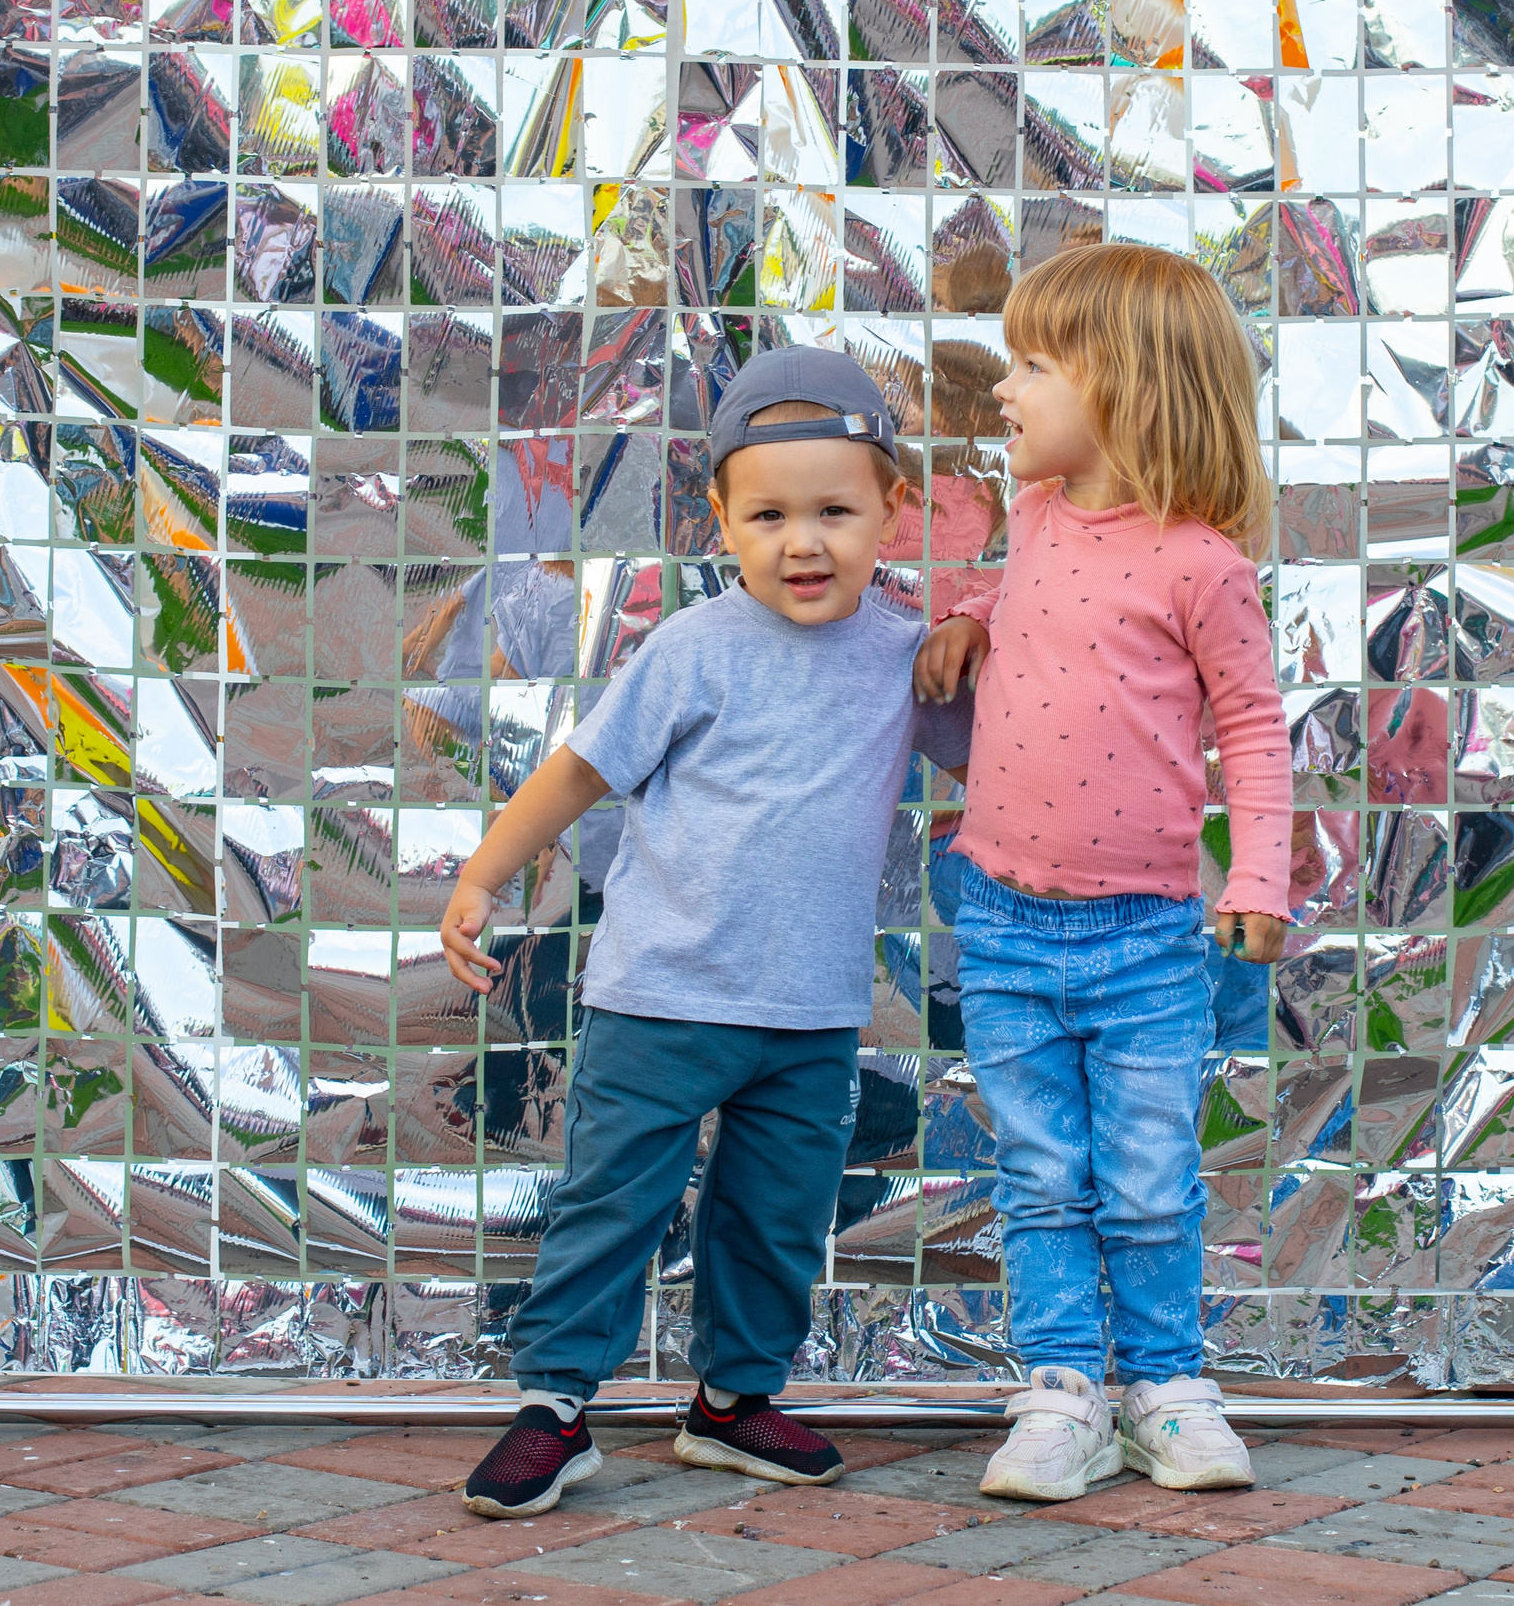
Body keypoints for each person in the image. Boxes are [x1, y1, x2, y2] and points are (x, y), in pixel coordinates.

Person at [439, 345, 972, 1518]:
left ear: (896, 510)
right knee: (610, 1205)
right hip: (660, 996)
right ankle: (556, 1407)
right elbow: (578, 774)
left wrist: (979, 637)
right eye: (770, 514)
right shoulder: (692, 647)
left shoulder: (904, 654)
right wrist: (481, 875)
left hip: (810, 1011)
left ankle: (732, 1403)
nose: (805, 542)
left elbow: (1003, 759)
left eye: (836, 510)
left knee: (775, 1217)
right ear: (721, 521)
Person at [913, 242, 1290, 1502]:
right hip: (1005, 917)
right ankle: (1062, 1389)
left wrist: (1259, 880)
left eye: (1030, 366)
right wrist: (969, 622)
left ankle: (1168, 1386)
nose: (1002, 392)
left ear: (1121, 384)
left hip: (1143, 936)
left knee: (1143, 1176)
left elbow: (1250, 729)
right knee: (1036, 1173)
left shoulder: (1202, 562)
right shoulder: (1031, 520)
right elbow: (1031, 622)